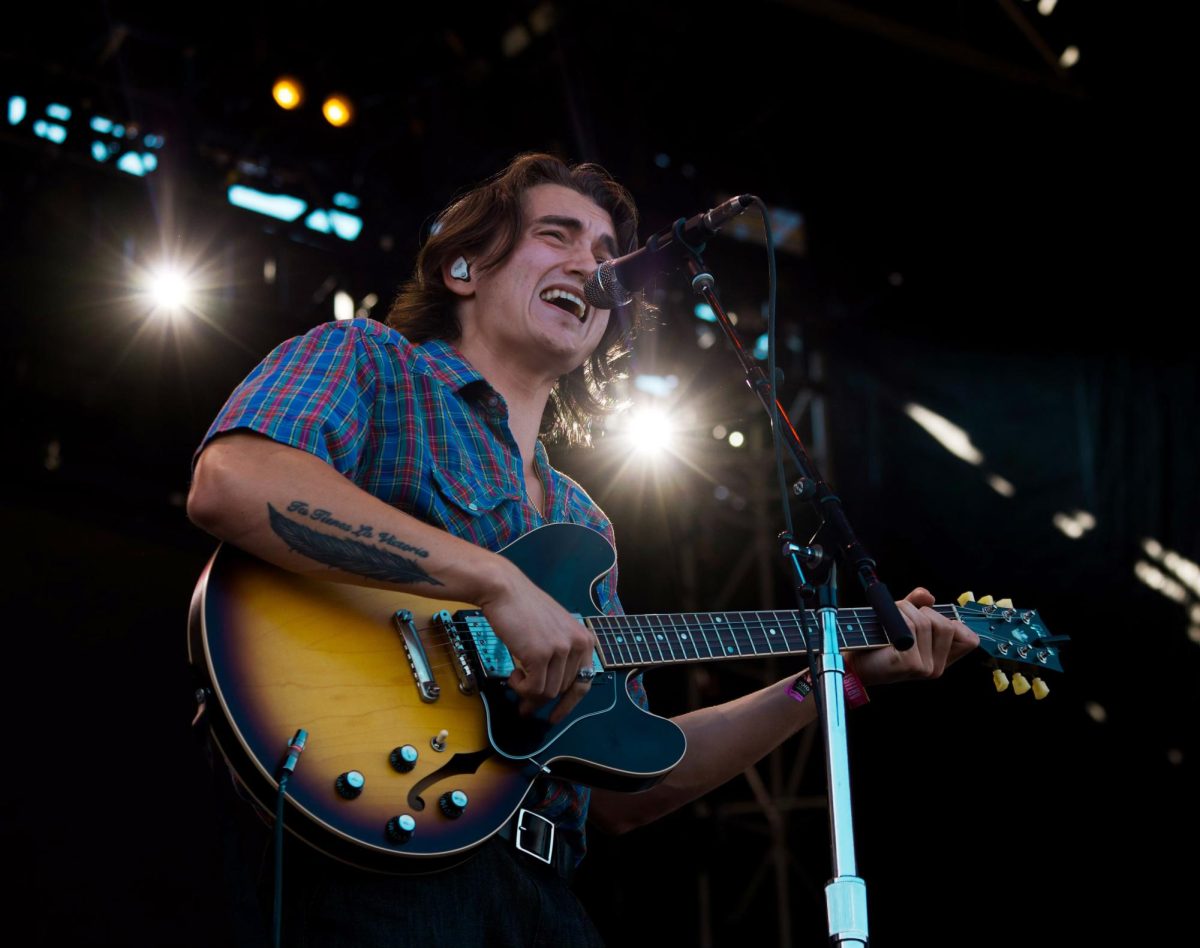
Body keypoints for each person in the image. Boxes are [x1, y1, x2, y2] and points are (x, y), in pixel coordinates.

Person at [187, 152, 978, 947]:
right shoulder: (371, 360)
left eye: (607, 255)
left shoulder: (584, 523)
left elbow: (628, 792)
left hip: (542, 892)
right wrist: (496, 583)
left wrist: (828, 681)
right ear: (463, 266)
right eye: (557, 235)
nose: (592, 266)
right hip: (381, 860)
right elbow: (233, 481)